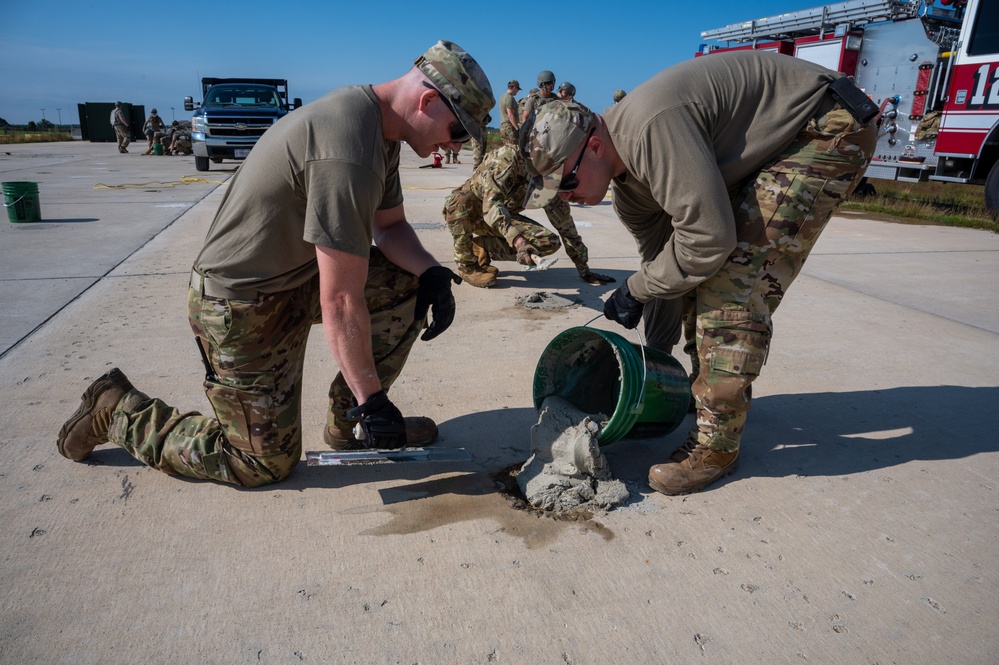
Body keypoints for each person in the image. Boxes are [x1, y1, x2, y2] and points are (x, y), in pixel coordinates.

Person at [57, 40, 495, 488]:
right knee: (259, 464)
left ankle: (352, 427)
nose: (454, 143)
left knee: (408, 281)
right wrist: (373, 397)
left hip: (293, 280)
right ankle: (117, 411)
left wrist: (432, 273)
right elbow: (342, 298)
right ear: (426, 101)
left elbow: (390, 227)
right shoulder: (347, 148)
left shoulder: (379, 129)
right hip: (239, 306)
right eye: (457, 131)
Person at [520, 52, 876, 496]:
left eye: (566, 183)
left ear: (593, 146)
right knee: (694, 271)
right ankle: (701, 391)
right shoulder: (630, 191)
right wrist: (654, 358)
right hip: (777, 143)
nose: (566, 199)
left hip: (823, 125)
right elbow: (667, 270)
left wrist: (634, 289)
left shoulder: (651, 130)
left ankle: (717, 445)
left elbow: (709, 240)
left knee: (733, 281)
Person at [443, 140, 614, 288]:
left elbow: (565, 225)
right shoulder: (507, 159)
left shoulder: (551, 178)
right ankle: (467, 265)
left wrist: (584, 270)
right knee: (460, 201)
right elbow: (491, 205)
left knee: (548, 242)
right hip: (475, 213)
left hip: (503, 219)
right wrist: (518, 241)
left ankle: (482, 248)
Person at [498, 79, 521, 147]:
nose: (517, 91)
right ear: (514, 87)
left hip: (503, 126)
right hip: (509, 127)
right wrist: (517, 128)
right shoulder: (509, 98)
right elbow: (510, 115)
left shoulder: (502, 97)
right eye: (518, 89)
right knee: (513, 149)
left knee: (507, 149)